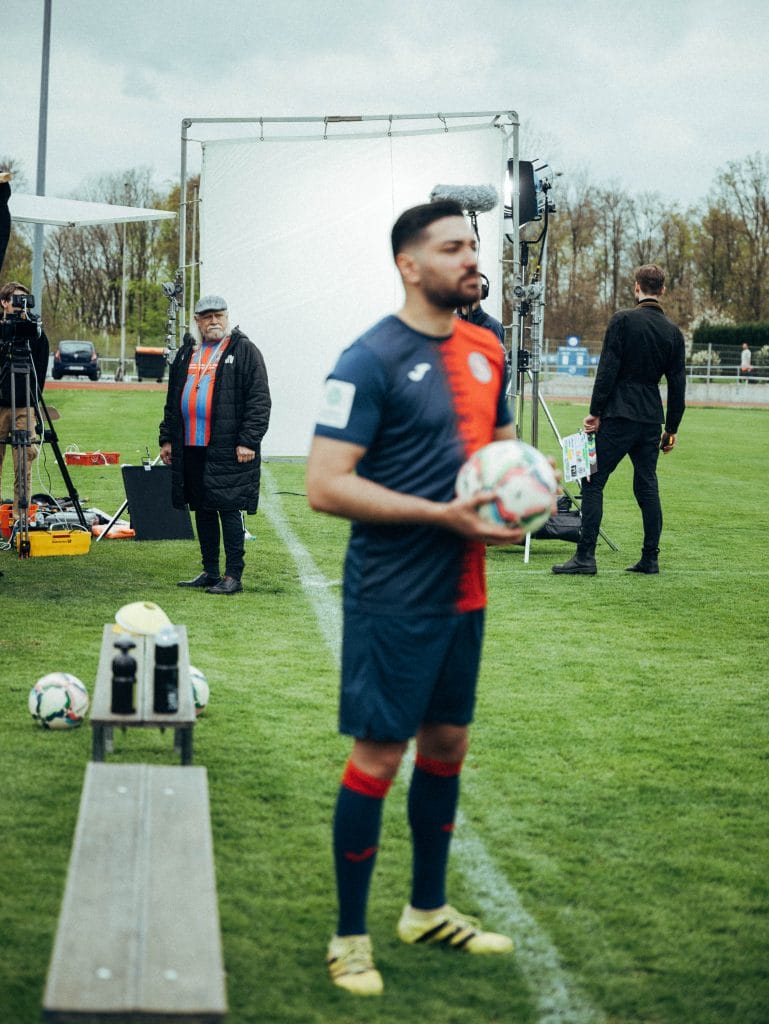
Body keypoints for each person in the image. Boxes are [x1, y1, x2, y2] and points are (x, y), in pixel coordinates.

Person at [306, 200, 521, 997]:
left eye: (473, 245)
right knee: (379, 756)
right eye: (452, 247)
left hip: (465, 590)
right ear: (409, 264)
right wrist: (442, 515)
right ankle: (349, 937)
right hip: (392, 594)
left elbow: (502, 454)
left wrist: (519, 497)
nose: (471, 258)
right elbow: (325, 485)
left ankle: (426, 910)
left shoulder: (485, 348)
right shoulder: (367, 360)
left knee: (447, 746)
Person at [552, 263, 686, 576]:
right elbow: (678, 385)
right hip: (650, 418)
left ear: (636, 287)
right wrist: (671, 429)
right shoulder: (673, 332)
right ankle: (650, 558)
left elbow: (608, 369)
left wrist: (595, 411)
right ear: (663, 290)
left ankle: (585, 556)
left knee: (593, 481)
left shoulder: (623, 320)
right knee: (647, 485)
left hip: (619, 413)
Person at [159, 294, 271, 595]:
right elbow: (172, 401)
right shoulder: (187, 352)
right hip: (190, 444)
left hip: (226, 446)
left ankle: (233, 575)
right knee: (202, 508)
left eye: (219, 315)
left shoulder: (244, 350)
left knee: (228, 507)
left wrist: (248, 441)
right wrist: (167, 438)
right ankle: (210, 571)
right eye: (207, 317)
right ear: (197, 321)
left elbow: (259, 401)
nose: (213, 321)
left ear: (227, 317)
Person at [0, 281, 49, 519]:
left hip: (25, 405)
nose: (21, 306)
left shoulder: (34, 333)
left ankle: (21, 517)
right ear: (4, 302)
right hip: (0, 404)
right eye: (16, 300)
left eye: (24, 301)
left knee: (23, 462)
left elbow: (40, 368)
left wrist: (34, 399)